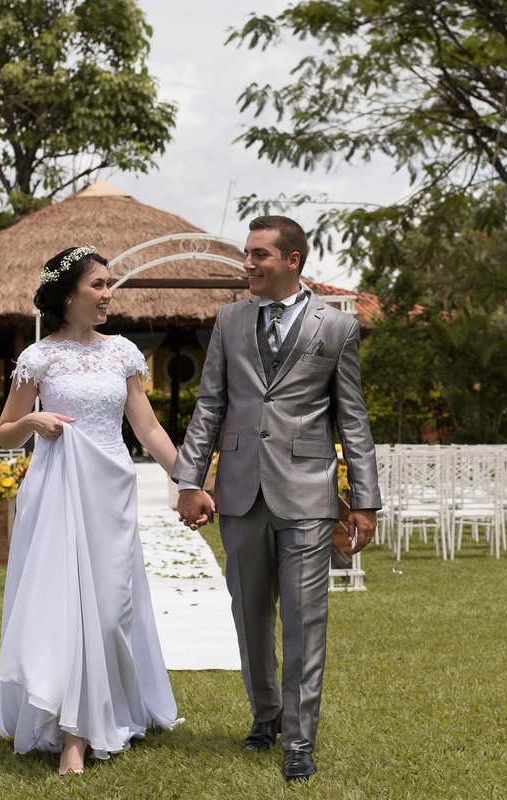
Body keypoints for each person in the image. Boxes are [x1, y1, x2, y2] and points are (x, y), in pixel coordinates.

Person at [173, 215, 381, 783]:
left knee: (306, 618)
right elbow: (209, 405)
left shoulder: (335, 329)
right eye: (247, 254)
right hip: (239, 491)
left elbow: (352, 420)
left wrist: (364, 500)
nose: (248, 264)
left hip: (310, 494)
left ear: (292, 260)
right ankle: (264, 717)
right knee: (249, 614)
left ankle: (298, 739)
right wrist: (190, 482)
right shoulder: (229, 321)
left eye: (260, 255)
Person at [0, 246, 187, 776]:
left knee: (106, 613)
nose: (108, 294)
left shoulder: (122, 352)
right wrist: (34, 422)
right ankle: (74, 737)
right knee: (62, 609)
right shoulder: (38, 358)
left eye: (109, 285)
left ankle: (107, 711)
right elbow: (5, 433)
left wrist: (189, 479)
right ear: (68, 294)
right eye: (98, 285)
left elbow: (147, 429)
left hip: (109, 493)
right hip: (55, 492)